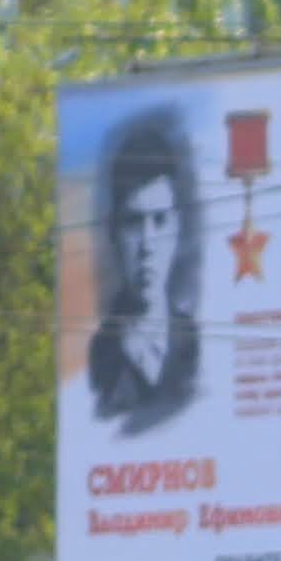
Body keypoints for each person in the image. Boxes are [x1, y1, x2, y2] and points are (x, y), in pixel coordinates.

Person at [86, 108, 204, 437]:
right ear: (114, 232)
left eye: (160, 220)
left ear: (178, 228)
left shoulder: (194, 344)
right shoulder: (101, 356)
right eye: (134, 223)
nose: (148, 244)